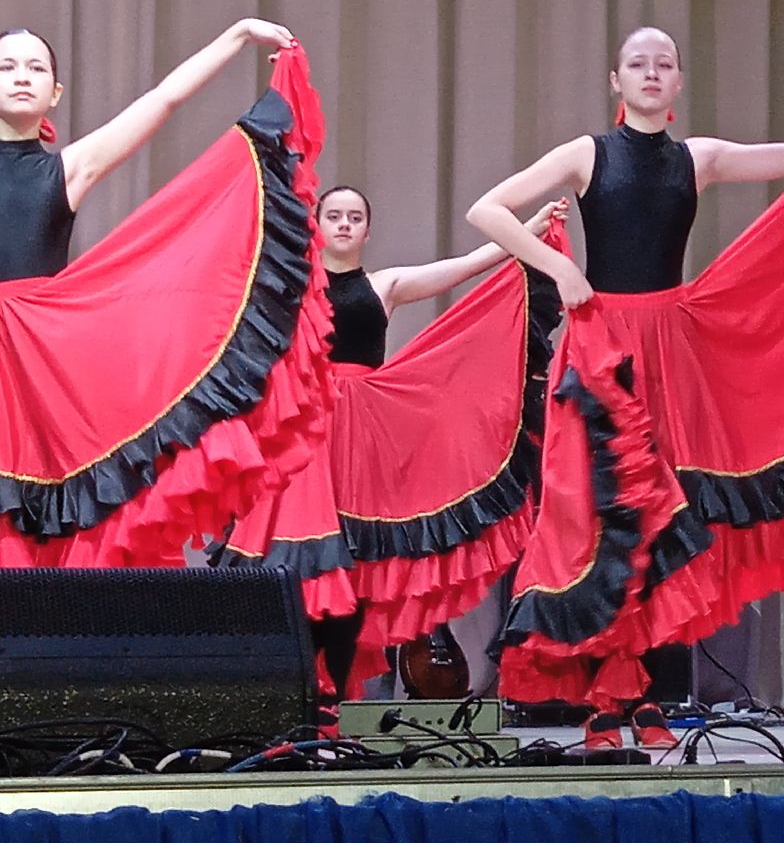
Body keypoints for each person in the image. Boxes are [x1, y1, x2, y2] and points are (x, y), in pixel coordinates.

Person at [469, 27, 784, 748]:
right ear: (616, 81)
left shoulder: (700, 158)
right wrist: (557, 268)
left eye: (664, 63)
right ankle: (602, 700)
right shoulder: (587, 153)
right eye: (637, 63)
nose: (651, 73)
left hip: (671, 350)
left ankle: (648, 698)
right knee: (600, 519)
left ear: (678, 83)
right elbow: (488, 210)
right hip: (602, 346)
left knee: (665, 522)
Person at [0, 24, 334, 571]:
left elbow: (164, 100)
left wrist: (238, 35)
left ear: (55, 92)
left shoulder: (65, 168)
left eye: (35, 68)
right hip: (30, 352)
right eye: (7, 66)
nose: (21, 77)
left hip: (40, 361)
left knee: (47, 518)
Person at [214, 186, 567, 700]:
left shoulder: (386, 285)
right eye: (333, 215)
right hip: (300, 439)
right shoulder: (288, 291)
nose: (343, 225)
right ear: (316, 224)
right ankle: (294, 692)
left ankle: (331, 698)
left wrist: (528, 230)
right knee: (299, 565)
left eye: (354, 217)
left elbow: (468, 264)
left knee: (354, 567)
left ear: (367, 229)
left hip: (362, 439)